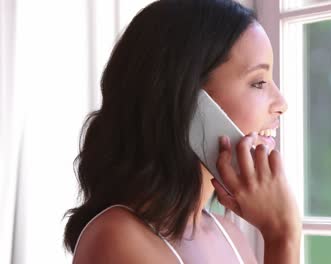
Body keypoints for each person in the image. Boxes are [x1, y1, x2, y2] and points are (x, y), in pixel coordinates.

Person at [63, 0, 301, 263]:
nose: (281, 104)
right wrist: (283, 235)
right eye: (258, 83)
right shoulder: (117, 238)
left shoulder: (229, 234)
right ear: (190, 101)